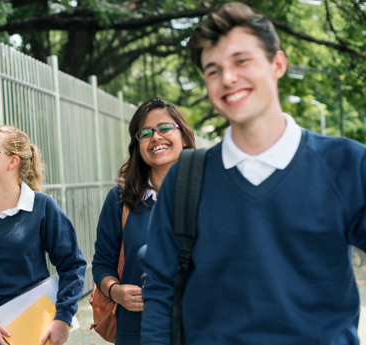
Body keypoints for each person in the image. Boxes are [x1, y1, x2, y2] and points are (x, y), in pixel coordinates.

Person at [141, 2, 366, 344]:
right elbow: (160, 289)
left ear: (278, 63)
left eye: (241, 61)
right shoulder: (185, 180)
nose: (227, 78)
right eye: (213, 70)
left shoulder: (347, 164)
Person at [0, 125, 87, 345]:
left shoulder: (43, 207)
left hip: (33, 332)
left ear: (12, 161)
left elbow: (73, 265)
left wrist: (63, 318)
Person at [92, 98, 195, 345]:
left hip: (199, 327)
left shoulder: (209, 191)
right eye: (145, 133)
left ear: (184, 136)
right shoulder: (120, 199)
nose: (156, 137)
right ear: (137, 146)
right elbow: (102, 264)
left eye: (165, 128)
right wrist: (116, 292)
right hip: (138, 332)